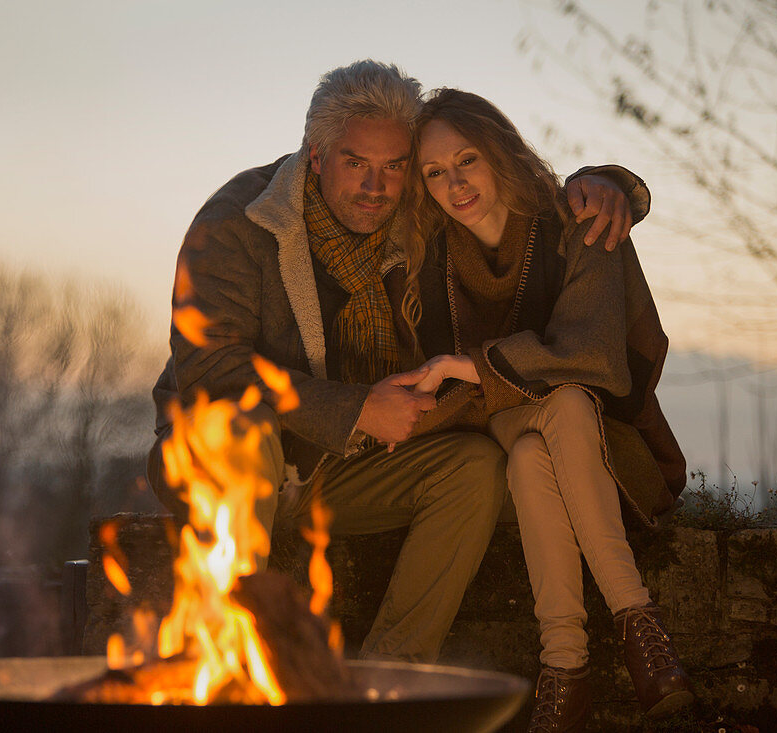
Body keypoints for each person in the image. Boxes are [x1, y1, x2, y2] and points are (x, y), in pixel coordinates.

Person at [147, 60, 648, 664]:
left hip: (336, 470)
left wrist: (607, 183)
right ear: (316, 155)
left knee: (473, 466)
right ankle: (234, 663)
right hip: (226, 465)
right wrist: (356, 409)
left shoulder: (417, 218)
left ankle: (390, 679)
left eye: (394, 167)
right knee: (239, 430)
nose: (375, 186)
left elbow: (513, 201)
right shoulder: (238, 223)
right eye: (355, 163)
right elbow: (211, 368)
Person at [408, 88, 691, 730]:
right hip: (497, 444)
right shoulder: (432, 263)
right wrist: (475, 377)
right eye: (434, 172)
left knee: (557, 415)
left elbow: (592, 356)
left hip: (596, 456)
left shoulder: (575, 221)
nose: (454, 183)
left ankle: (565, 668)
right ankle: (639, 625)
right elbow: (445, 401)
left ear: (500, 151)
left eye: (467, 160)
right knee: (541, 418)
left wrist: (474, 366)